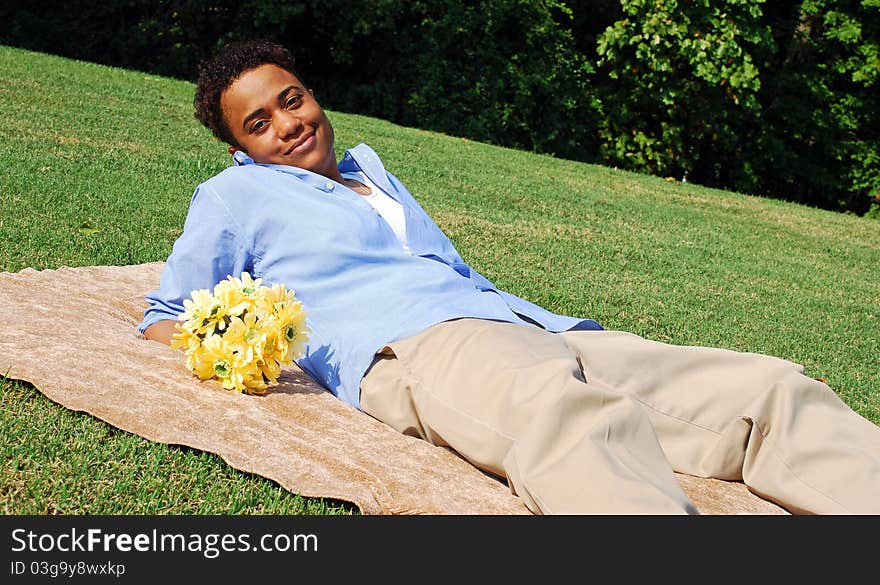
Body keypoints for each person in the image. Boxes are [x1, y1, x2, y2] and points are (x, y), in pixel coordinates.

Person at [139, 39, 880, 515]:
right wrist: (238, 342)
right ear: (240, 149)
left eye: (290, 98)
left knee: (763, 389)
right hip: (418, 344)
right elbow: (168, 311)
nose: (287, 122)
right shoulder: (236, 195)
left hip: (526, 323)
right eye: (259, 123)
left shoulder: (371, 169)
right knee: (569, 421)